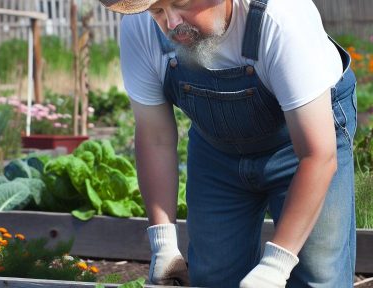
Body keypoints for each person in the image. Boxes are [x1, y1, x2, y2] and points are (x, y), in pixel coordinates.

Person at [98, 0, 358, 287]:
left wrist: (275, 266)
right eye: (158, 11)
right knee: (213, 276)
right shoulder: (141, 26)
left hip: (301, 149)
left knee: (317, 274)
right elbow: (154, 136)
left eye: (180, 3)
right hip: (216, 152)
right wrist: (163, 244)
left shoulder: (280, 17)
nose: (171, 23)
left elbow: (317, 155)